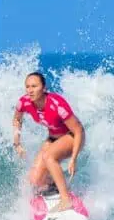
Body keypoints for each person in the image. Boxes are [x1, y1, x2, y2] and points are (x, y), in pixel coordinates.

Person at [12, 71, 85, 212]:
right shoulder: (24, 102)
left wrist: (73, 159)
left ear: (44, 88)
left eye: (34, 86)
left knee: (48, 156)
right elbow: (17, 119)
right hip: (53, 139)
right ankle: (54, 184)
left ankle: (66, 200)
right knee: (35, 179)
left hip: (73, 137)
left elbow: (77, 131)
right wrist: (17, 143)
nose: (30, 90)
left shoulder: (57, 104)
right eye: (27, 86)